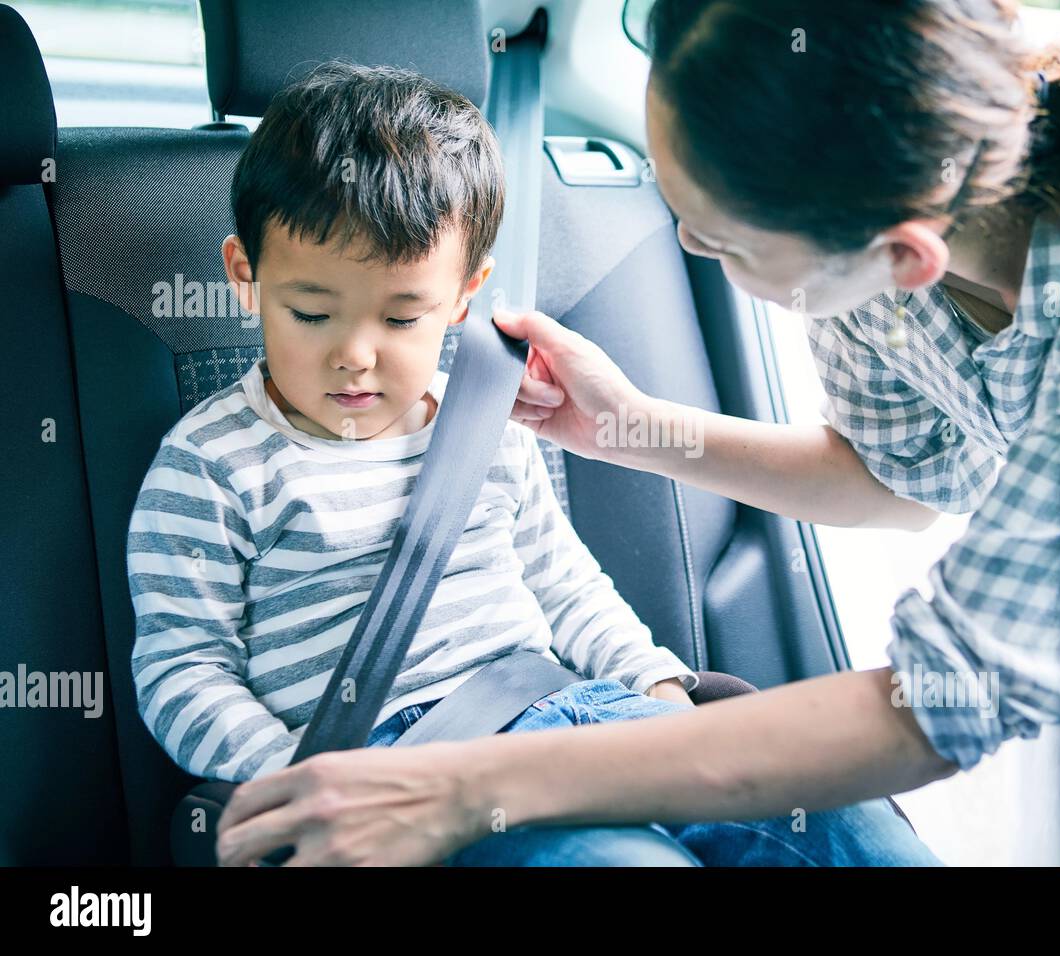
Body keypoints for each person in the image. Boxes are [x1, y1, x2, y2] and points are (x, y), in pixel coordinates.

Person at [215, 0, 1060, 868]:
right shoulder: (871, 250)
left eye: (720, 239)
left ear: (901, 254)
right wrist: (630, 427)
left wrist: (462, 786)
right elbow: (892, 475)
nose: (684, 243)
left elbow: (943, 701)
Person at [126, 61, 938, 866]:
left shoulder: (481, 422)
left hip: (577, 714)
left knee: (837, 814)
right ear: (246, 276)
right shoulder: (211, 464)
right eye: (310, 311)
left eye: (403, 318)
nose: (355, 356)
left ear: (462, 299)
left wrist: (658, 690)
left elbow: (561, 579)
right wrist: (298, 780)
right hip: (396, 775)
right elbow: (183, 667)